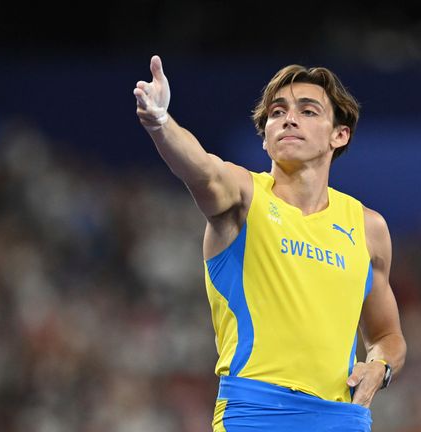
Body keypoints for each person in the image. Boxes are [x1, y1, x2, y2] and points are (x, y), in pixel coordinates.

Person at [133, 55, 407, 431]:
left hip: (340, 418)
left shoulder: (368, 228)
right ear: (264, 138)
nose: (289, 119)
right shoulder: (244, 197)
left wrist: (380, 367)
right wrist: (161, 124)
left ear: (339, 134)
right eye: (277, 113)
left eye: (308, 111)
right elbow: (201, 170)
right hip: (255, 414)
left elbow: (387, 336)